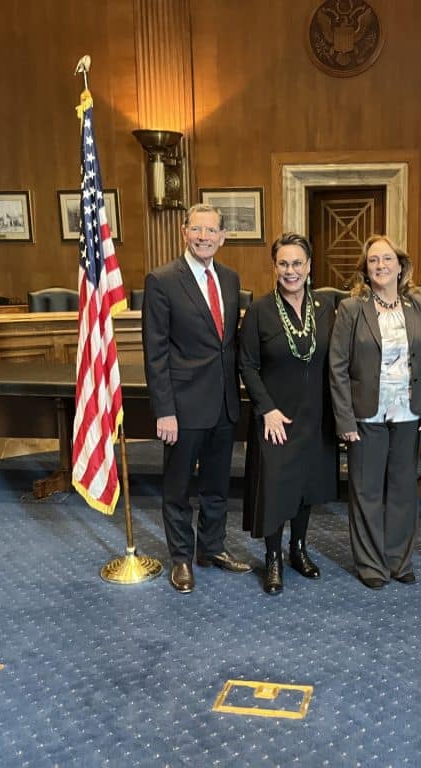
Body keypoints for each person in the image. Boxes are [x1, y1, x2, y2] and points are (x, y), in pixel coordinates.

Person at [142, 203, 251, 594]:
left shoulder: (231, 278)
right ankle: (181, 559)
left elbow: (229, 345)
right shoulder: (162, 280)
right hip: (183, 407)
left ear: (222, 237)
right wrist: (164, 411)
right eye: (197, 229)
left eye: (211, 231)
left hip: (223, 402)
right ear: (184, 232)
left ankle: (212, 548)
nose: (204, 237)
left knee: (217, 485)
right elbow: (155, 352)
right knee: (177, 488)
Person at [329, 235, 421, 589]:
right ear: (365, 268)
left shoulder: (419, 306)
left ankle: (398, 560)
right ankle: (372, 565)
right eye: (373, 261)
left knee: (404, 490)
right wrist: (344, 419)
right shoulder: (352, 309)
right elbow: (338, 367)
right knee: (367, 491)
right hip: (365, 415)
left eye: (387, 259)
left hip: (408, 413)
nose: (380, 266)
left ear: (400, 266)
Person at [239, 233, 338, 594]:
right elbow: (247, 365)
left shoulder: (325, 307)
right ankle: (274, 558)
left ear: (309, 266)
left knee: (305, 486)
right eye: (284, 263)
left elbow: (335, 360)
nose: (291, 270)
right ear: (275, 267)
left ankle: (298, 550)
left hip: (315, 413)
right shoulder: (259, 311)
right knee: (276, 488)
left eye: (297, 263)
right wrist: (267, 409)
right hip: (276, 418)